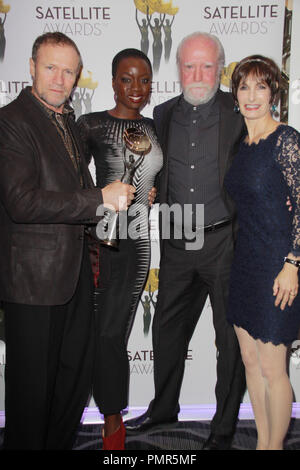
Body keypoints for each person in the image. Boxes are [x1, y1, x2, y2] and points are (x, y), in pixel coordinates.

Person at [0, 32, 134, 450]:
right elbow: (22, 202)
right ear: (31, 68)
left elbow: (78, 190)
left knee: (71, 385)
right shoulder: (12, 122)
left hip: (75, 276)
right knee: (31, 397)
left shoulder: (68, 122)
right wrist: (99, 198)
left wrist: (111, 199)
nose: (59, 79)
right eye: (50, 67)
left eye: (69, 71)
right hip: (33, 285)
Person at [125, 32, 246, 450]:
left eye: (206, 66)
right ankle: (163, 409)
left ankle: (225, 424)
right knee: (166, 331)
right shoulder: (160, 113)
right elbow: (150, 168)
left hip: (226, 243)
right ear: (177, 69)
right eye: (189, 66)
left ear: (221, 69)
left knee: (229, 340)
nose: (197, 75)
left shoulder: (239, 109)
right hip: (177, 239)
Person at [77, 48, 163, 450]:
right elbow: (69, 180)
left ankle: (113, 416)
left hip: (140, 244)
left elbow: (157, 177)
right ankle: (113, 422)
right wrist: (102, 198)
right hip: (103, 241)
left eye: (144, 80)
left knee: (119, 331)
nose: (136, 88)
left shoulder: (154, 127)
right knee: (106, 333)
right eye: (127, 79)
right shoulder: (91, 124)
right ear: (113, 82)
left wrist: (154, 192)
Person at [225, 55, 300, 450]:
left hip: (278, 266)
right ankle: (262, 444)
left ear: (274, 93)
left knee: (274, 368)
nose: (252, 95)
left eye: (261, 86)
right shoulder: (245, 144)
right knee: (251, 363)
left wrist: (293, 263)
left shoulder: (286, 140)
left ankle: (274, 446)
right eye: (244, 87)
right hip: (245, 265)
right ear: (235, 94)